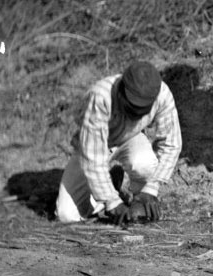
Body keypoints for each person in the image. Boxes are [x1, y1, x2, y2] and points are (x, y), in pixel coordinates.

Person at [55, 60, 182, 225]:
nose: (136, 112)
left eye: (141, 109)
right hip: (94, 146)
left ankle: (140, 200)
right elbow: (93, 157)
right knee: (67, 216)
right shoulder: (101, 96)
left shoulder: (162, 94)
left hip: (132, 139)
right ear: (122, 91)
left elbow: (171, 144)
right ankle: (108, 190)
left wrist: (151, 189)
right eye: (132, 107)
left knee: (144, 163)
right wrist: (111, 201)